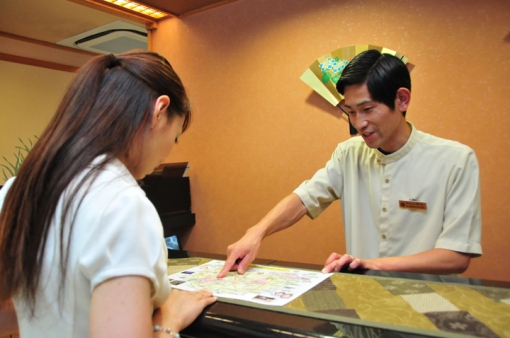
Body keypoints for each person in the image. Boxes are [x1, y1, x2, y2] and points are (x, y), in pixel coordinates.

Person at [0, 51, 216, 337]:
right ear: (159, 111)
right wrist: (170, 322)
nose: (168, 152)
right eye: (175, 137)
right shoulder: (123, 205)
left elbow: (9, 315)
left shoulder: (17, 189)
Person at [218, 49, 482, 278]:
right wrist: (256, 232)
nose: (358, 124)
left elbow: (456, 256)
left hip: (429, 305)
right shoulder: (349, 153)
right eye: (350, 112)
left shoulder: (455, 159)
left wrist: (373, 264)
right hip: (365, 301)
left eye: (367, 109)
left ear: (402, 99)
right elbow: (304, 198)